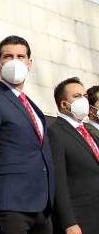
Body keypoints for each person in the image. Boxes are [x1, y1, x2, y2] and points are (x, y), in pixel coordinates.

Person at [0, 35, 54, 234]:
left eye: (21, 56)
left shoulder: (33, 107)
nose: (15, 61)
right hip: (10, 207)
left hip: (42, 208)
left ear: (29, 63)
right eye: (8, 56)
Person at [49, 77, 99, 234]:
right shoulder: (55, 132)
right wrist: (69, 222)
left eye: (85, 96)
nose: (83, 100)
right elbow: (58, 182)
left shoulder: (91, 132)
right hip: (80, 220)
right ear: (64, 104)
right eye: (77, 96)